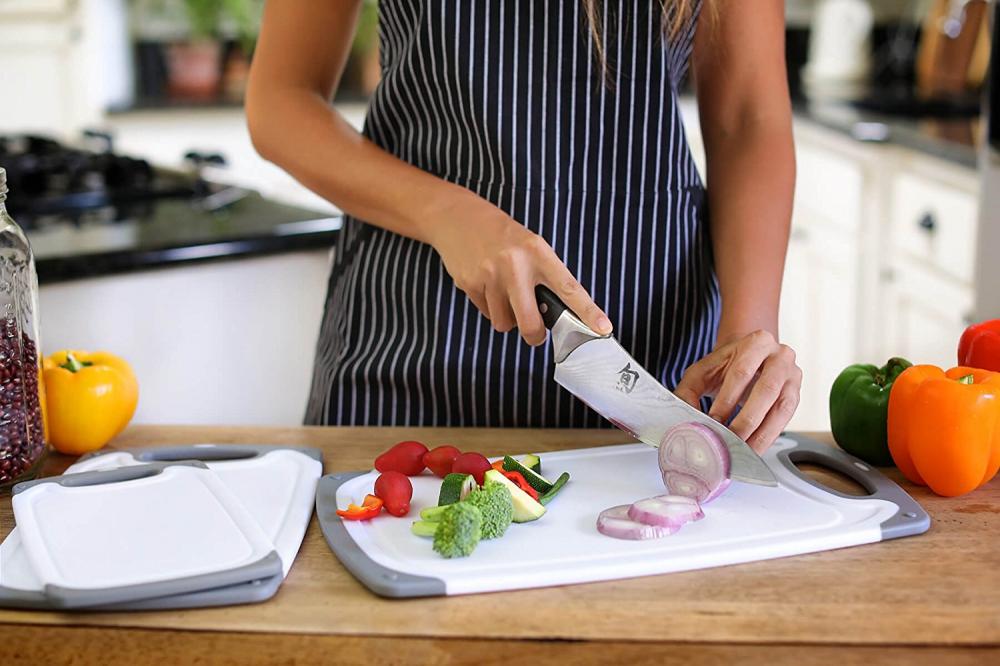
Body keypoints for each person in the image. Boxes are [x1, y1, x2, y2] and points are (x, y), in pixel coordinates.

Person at [246, 0, 800, 452]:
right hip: (410, 334)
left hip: (655, 359)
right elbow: (281, 100)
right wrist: (445, 213)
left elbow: (748, 118)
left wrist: (747, 334)